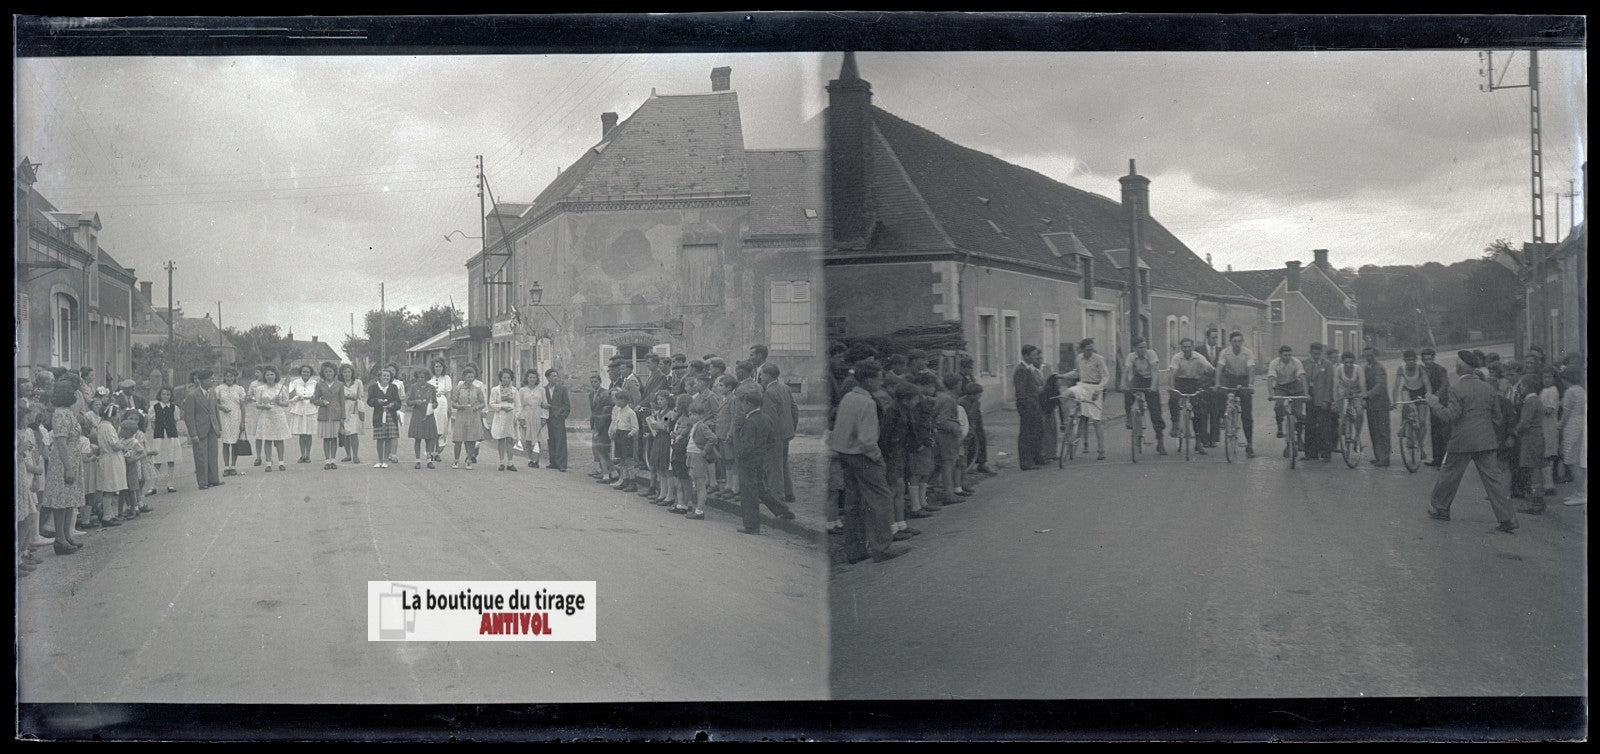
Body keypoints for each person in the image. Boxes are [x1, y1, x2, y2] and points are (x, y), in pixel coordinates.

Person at [1425, 351, 1517, 533]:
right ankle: (1508, 518)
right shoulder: (1488, 388)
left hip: (1462, 441)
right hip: (1485, 441)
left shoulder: (1456, 389)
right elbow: (1497, 418)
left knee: (1449, 475)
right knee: (1494, 480)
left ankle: (1441, 508)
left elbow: (1450, 416)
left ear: (1459, 368)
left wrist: (1434, 404)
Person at [832, 360, 907, 562]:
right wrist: (878, 457)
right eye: (878, 378)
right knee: (880, 499)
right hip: (864, 456)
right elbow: (867, 440)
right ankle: (882, 547)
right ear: (867, 380)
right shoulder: (867, 402)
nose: (881, 382)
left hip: (845, 453)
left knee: (854, 502)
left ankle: (854, 550)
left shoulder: (848, 397)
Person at [42, 382, 86, 555]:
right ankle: (59, 538)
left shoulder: (68, 413)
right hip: (63, 462)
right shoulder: (60, 414)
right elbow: (61, 442)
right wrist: (68, 468)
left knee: (69, 500)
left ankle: (67, 535)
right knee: (61, 500)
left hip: (72, 459)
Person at [759, 362, 799, 503]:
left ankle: (776, 497)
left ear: (768, 376)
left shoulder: (768, 392)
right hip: (786, 433)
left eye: (762, 374)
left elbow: (770, 418)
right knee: (783, 463)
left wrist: (768, 436)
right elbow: (794, 410)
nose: (760, 377)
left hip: (775, 435)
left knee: (773, 466)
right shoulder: (785, 388)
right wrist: (791, 428)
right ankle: (788, 494)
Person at [1214, 331, 1257, 458]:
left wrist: (1250, 385)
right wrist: (1217, 383)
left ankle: (1249, 444)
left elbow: (1251, 370)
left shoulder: (1248, 352)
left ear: (1242, 342)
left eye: (1239, 341)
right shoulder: (1225, 352)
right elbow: (1219, 368)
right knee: (1220, 394)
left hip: (1243, 379)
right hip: (1230, 378)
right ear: (1230, 342)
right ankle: (1224, 417)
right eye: (1234, 341)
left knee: (1247, 414)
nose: (1237, 343)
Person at [1168, 337, 1214, 455]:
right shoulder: (1177, 357)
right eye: (1184, 347)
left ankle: (1198, 442)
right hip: (1181, 382)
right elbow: (1172, 373)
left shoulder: (1199, 357)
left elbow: (1210, 369)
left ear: (1192, 347)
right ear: (1181, 348)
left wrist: (1209, 379)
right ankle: (1175, 423)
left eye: (1189, 347)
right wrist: (1172, 387)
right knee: (1172, 399)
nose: (1187, 349)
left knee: (1199, 411)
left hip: (1195, 383)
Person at [180, 369, 224, 489]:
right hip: (200, 430)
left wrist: (219, 427)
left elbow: (215, 411)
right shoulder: (192, 395)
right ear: (203, 381)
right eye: (211, 379)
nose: (213, 381)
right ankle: (203, 482)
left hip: (212, 428)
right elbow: (189, 416)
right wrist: (193, 434)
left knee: (213, 455)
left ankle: (214, 479)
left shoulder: (212, 393)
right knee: (201, 456)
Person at [1124, 336, 1167, 455]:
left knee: (1155, 411)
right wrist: (1124, 384)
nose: (1143, 350)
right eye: (1140, 348)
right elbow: (1126, 371)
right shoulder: (1131, 356)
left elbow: (1155, 371)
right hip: (1138, 379)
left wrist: (1153, 386)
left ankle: (1160, 440)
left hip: (1151, 380)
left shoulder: (1151, 354)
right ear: (1134, 348)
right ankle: (1129, 417)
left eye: (1144, 347)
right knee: (1128, 393)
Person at [1513, 372, 1550, 515]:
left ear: (1527, 387)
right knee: (1535, 469)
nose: (1520, 388)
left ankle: (1536, 503)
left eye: (1522, 386)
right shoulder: (1536, 400)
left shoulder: (1530, 402)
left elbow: (1525, 422)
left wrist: (1515, 430)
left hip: (1531, 439)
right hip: (1536, 438)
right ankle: (1538, 501)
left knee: (1533, 470)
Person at [1068, 339, 1109, 460]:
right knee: (1067, 396)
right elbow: (1077, 373)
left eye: (1092, 349)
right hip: (1082, 386)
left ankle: (1101, 450)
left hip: (1095, 388)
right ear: (1082, 349)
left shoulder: (1099, 359)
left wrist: (1099, 389)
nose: (1090, 352)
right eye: (1087, 350)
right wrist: (1063, 376)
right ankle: (1067, 422)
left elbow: (1105, 376)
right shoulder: (1079, 358)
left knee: (1096, 420)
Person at [90, 402, 128, 526]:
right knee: (109, 489)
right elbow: (114, 444)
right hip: (111, 459)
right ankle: (107, 516)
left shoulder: (101, 426)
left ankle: (110, 514)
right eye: (117, 414)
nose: (118, 416)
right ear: (112, 415)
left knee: (109, 488)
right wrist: (123, 445)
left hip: (106, 458)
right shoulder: (108, 427)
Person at [1391, 349, 1433, 461]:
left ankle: (1420, 445)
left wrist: (1428, 394)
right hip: (1408, 391)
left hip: (1420, 391)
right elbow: (1396, 386)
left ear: (1416, 360)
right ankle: (1404, 425)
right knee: (1408, 406)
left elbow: (1427, 383)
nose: (1411, 362)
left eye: (1413, 360)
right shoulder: (1401, 369)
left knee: (1422, 421)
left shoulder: (1420, 368)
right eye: (1408, 360)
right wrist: (1394, 401)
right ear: (1404, 360)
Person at [1267, 345, 1308, 457]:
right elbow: (1270, 378)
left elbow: (1302, 377)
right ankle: (1280, 424)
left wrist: (1306, 393)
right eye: (1285, 355)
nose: (1287, 357)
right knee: (1279, 405)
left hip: (1295, 386)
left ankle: (1299, 439)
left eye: (1289, 355)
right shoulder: (1274, 363)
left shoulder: (1296, 362)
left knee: (1298, 413)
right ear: (1280, 355)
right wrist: (1271, 394)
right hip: (1281, 387)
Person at [1013, 344, 1048, 470]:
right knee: (1027, 434)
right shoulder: (1021, 370)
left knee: (1036, 431)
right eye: (1033, 355)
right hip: (1028, 405)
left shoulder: (1028, 369)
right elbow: (1020, 391)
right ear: (1026, 356)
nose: (1035, 358)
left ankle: (1036, 458)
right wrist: (1025, 405)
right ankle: (1026, 462)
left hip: (1034, 403)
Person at [1557, 364, 1587, 506]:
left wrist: (1559, 425)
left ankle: (1580, 492)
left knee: (1571, 460)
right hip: (1581, 424)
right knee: (1579, 460)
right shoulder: (1581, 390)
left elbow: (1567, 412)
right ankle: (1579, 490)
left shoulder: (1570, 391)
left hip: (1572, 425)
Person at [253, 366, 292, 471]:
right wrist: (264, 406)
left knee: (279, 439)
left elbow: (286, 403)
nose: (270, 377)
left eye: (272, 374)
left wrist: (279, 402)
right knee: (268, 439)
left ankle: (281, 463)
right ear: (264, 376)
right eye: (267, 375)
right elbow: (257, 404)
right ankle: (268, 463)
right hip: (266, 416)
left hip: (278, 415)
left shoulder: (282, 388)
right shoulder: (260, 389)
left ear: (276, 375)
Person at [448, 365, 486, 470]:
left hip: (473, 416)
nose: (470, 379)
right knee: (458, 439)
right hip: (461, 415)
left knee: (471, 439)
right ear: (464, 377)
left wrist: (477, 407)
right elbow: (453, 403)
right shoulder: (458, 388)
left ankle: (469, 460)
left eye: (472, 377)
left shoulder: (477, 389)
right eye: (468, 377)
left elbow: (483, 403)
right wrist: (460, 406)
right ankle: (456, 460)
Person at [1360, 346, 1392, 467]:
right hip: (1371, 405)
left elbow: (1381, 386)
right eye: (1366, 355)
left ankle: (1385, 458)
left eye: (1371, 355)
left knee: (1383, 432)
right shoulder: (1366, 368)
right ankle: (1379, 457)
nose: (1368, 358)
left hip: (1381, 404)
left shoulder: (1379, 368)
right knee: (1374, 431)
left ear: (1375, 355)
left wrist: (1367, 394)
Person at [1302, 343, 1335, 462]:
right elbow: (1304, 379)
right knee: (1310, 425)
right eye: (1314, 354)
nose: (1316, 356)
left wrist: (1326, 400)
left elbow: (1329, 383)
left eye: (1318, 354)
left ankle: (1326, 454)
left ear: (1321, 353)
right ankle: (1311, 453)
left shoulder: (1327, 364)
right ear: (1310, 352)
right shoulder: (1305, 363)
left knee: (1324, 426)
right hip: (1310, 397)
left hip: (1322, 398)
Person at [1420, 348, 1452, 467]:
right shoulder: (1422, 370)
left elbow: (1445, 385)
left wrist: (1436, 396)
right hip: (1431, 404)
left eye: (1429, 359)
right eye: (1425, 359)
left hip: (1442, 403)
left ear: (1433, 358)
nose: (1427, 362)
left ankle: (1445, 461)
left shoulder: (1440, 369)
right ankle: (1437, 459)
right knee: (1434, 431)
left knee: (1443, 432)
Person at [367, 367, 403, 469]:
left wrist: (393, 404)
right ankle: (379, 460)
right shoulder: (374, 387)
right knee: (380, 439)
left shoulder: (393, 387)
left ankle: (386, 460)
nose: (386, 377)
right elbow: (369, 401)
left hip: (390, 416)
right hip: (379, 416)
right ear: (380, 377)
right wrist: (377, 401)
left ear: (390, 377)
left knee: (388, 439)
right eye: (384, 376)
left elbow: (398, 403)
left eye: (388, 376)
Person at [215, 368, 249, 477]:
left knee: (234, 443)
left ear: (235, 377)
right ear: (224, 377)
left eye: (231, 376)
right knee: (225, 443)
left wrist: (243, 422)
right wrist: (222, 407)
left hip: (235, 418)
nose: (229, 378)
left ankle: (233, 466)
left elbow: (243, 407)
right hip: (224, 418)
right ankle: (226, 467)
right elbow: (215, 404)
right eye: (227, 376)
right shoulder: (219, 389)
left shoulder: (239, 389)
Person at [313, 362, 346, 471]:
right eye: (326, 371)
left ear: (334, 372)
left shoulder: (340, 385)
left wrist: (343, 417)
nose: (328, 373)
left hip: (336, 414)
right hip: (325, 414)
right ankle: (327, 461)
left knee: (334, 438)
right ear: (323, 373)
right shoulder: (319, 385)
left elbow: (342, 402)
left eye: (330, 371)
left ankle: (333, 461)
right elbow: (315, 400)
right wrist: (322, 402)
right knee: (327, 438)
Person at [148, 385, 182, 493]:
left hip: (171, 437)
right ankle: (153, 486)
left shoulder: (174, 408)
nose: (166, 396)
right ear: (160, 395)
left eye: (168, 394)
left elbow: (175, 421)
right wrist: (158, 431)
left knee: (171, 460)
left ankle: (170, 484)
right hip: (159, 437)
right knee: (157, 461)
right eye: (163, 394)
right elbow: (153, 423)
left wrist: (171, 431)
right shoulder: (154, 408)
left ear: (171, 396)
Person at [685, 404, 715, 519]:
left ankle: (699, 511)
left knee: (700, 484)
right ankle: (697, 508)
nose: (692, 416)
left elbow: (713, 438)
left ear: (701, 415)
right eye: (690, 414)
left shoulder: (702, 426)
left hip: (697, 456)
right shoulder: (694, 426)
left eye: (695, 414)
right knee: (696, 484)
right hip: (692, 456)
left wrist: (705, 451)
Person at [1333, 350, 1366, 453]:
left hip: (1356, 392)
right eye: (1346, 362)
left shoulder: (1358, 369)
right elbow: (1335, 387)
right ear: (1342, 362)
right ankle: (1343, 428)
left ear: (1354, 362)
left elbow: (1362, 385)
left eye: (1351, 362)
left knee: (1359, 412)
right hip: (1343, 391)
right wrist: (1335, 401)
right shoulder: (1339, 369)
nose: (1348, 364)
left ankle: (1357, 436)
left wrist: (1363, 398)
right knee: (1341, 416)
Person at [286, 364, 320, 464]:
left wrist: (314, 398)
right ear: (301, 372)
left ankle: (308, 455)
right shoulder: (295, 382)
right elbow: (289, 397)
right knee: (301, 434)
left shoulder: (315, 383)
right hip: (299, 410)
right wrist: (297, 398)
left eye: (307, 372)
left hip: (310, 410)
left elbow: (318, 397)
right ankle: (302, 455)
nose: (305, 373)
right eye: (304, 371)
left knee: (308, 434)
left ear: (310, 373)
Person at [405, 368, 438, 470]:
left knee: (429, 439)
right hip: (417, 415)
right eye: (418, 377)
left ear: (426, 377)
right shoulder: (413, 387)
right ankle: (418, 460)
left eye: (422, 377)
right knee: (417, 439)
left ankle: (429, 460)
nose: (420, 379)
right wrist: (415, 402)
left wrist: (433, 405)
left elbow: (436, 402)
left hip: (428, 415)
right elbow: (408, 402)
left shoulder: (432, 388)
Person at [1196, 326, 1224, 446]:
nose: (1215, 340)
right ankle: (1204, 438)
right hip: (1203, 384)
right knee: (1203, 412)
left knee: (1215, 411)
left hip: (1216, 385)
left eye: (1217, 337)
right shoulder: (1199, 350)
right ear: (1207, 337)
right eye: (1213, 337)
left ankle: (1214, 438)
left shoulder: (1221, 351)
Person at [609, 389, 641, 492]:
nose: (617, 402)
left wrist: (629, 435)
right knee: (622, 460)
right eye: (617, 399)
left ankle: (632, 482)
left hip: (626, 436)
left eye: (619, 400)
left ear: (625, 400)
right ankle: (624, 480)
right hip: (619, 434)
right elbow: (616, 422)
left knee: (628, 460)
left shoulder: (631, 413)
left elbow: (635, 428)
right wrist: (614, 432)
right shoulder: (618, 411)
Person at [516, 369, 548, 468]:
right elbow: (520, 405)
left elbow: (544, 404)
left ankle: (536, 460)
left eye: (534, 377)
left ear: (537, 379)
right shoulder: (522, 390)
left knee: (537, 438)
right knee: (528, 439)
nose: (532, 379)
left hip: (538, 414)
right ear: (527, 378)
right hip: (526, 415)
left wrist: (544, 417)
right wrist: (521, 418)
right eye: (530, 377)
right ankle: (530, 459)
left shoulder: (541, 390)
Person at [588, 374, 616, 483]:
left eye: (595, 382)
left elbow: (606, 411)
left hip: (604, 424)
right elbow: (593, 411)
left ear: (600, 382)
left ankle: (607, 474)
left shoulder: (605, 393)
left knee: (602, 450)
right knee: (597, 449)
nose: (593, 384)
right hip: (596, 423)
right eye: (592, 382)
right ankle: (608, 471)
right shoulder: (591, 394)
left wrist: (599, 427)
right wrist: (593, 425)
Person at [337, 364, 366, 466]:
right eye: (345, 372)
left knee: (354, 433)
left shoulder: (358, 382)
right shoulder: (339, 383)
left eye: (349, 372)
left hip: (354, 409)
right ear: (342, 373)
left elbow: (361, 396)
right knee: (345, 433)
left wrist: (355, 398)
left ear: (352, 373)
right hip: (343, 409)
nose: (347, 374)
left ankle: (355, 456)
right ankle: (348, 455)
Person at [1539, 368, 1562, 493]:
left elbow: (1549, 410)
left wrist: (1535, 405)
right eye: (1544, 377)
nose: (1546, 379)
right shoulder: (1543, 390)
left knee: (1548, 454)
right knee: (1545, 454)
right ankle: (1547, 483)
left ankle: (1549, 484)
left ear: (1554, 378)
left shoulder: (1553, 390)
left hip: (1549, 426)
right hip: (1543, 426)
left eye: (1549, 377)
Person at [959, 382, 989, 474]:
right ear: (972, 395)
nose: (980, 396)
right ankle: (968, 465)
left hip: (976, 424)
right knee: (968, 445)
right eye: (979, 394)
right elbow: (968, 416)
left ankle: (982, 463)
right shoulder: (962, 402)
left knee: (982, 439)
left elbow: (977, 416)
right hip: (966, 424)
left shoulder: (976, 402)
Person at [427, 359, 454, 461]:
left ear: (443, 368)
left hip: (442, 403)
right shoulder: (429, 378)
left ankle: (437, 452)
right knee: (432, 427)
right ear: (433, 367)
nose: (438, 368)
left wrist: (449, 407)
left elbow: (448, 394)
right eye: (436, 366)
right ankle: (430, 451)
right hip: (432, 402)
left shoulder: (446, 378)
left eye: (440, 366)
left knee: (441, 428)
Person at [247, 366, 266, 465]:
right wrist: (253, 398)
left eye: (258, 372)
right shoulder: (253, 384)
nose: (256, 374)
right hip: (257, 411)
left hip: (267, 410)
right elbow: (249, 396)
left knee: (268, 435)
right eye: (255, 372)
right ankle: (258, 457)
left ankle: (268, 457)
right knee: (258, 435)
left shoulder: (268, 383)